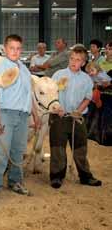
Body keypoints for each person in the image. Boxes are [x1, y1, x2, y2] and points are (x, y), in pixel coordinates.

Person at [0, 34, 39, 205]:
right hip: (5, 113)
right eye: (11, 48)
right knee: (0, 153)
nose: (15, 51)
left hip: (23, 115)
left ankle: (15, 182)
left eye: (18, 48)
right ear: (5, 48)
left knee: (18, 151)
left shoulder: (24, 69)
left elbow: (29, 94)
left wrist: (35, 116)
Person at [49, 45, 102, 189]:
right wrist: (57, 108)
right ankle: (57, 176)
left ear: (83, 63)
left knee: (80, 148)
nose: (74, 62)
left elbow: (87, 98)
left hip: (77, 118)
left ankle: (85, 176)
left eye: (78, 60)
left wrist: (78, 111)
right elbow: (51, 94)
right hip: (59, 117)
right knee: (57, 148)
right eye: (72, 58)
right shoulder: (58, 75)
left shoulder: (86, 80)